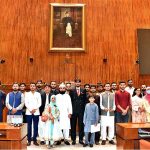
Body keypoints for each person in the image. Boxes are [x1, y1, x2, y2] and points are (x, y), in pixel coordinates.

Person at [71, 78, 86, 145]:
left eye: (79, 82)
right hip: (73, 111)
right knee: (73, 125)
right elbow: (70, 101)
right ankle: (73, 140)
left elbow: (85, 100)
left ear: (80, 83)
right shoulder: (72, 90)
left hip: (81, 111)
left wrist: (84, 110)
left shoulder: (83, 90)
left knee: (81, 125)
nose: (77, 83)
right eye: (76, 82)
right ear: (75, 83)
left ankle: (80, 139)